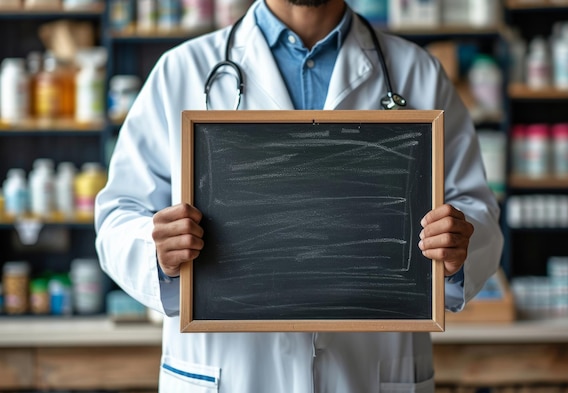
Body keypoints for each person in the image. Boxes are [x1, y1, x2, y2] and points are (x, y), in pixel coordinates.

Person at [95, 0, 503, 392]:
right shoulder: (181, 70)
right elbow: (118, 214)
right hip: (231, 375)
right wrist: (157, 251)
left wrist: (459, 246)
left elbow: (475, 208)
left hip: (368, 373)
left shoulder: (418, 73)